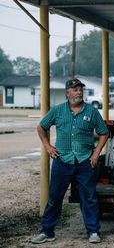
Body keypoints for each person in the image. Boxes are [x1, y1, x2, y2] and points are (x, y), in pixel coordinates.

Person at [31, 78, 109, 244]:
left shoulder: (92, 112)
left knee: (89, 197)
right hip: (62, 159)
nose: (79, 92)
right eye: (75, 89)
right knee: (54, 197)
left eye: (80, 89)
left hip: (85, 161)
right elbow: (41, 127)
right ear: (67, 93)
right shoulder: (57, 110)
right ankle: (47, 231)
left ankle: (93, 231)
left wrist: (96, 154)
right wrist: (47, 147)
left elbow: (104, 132)